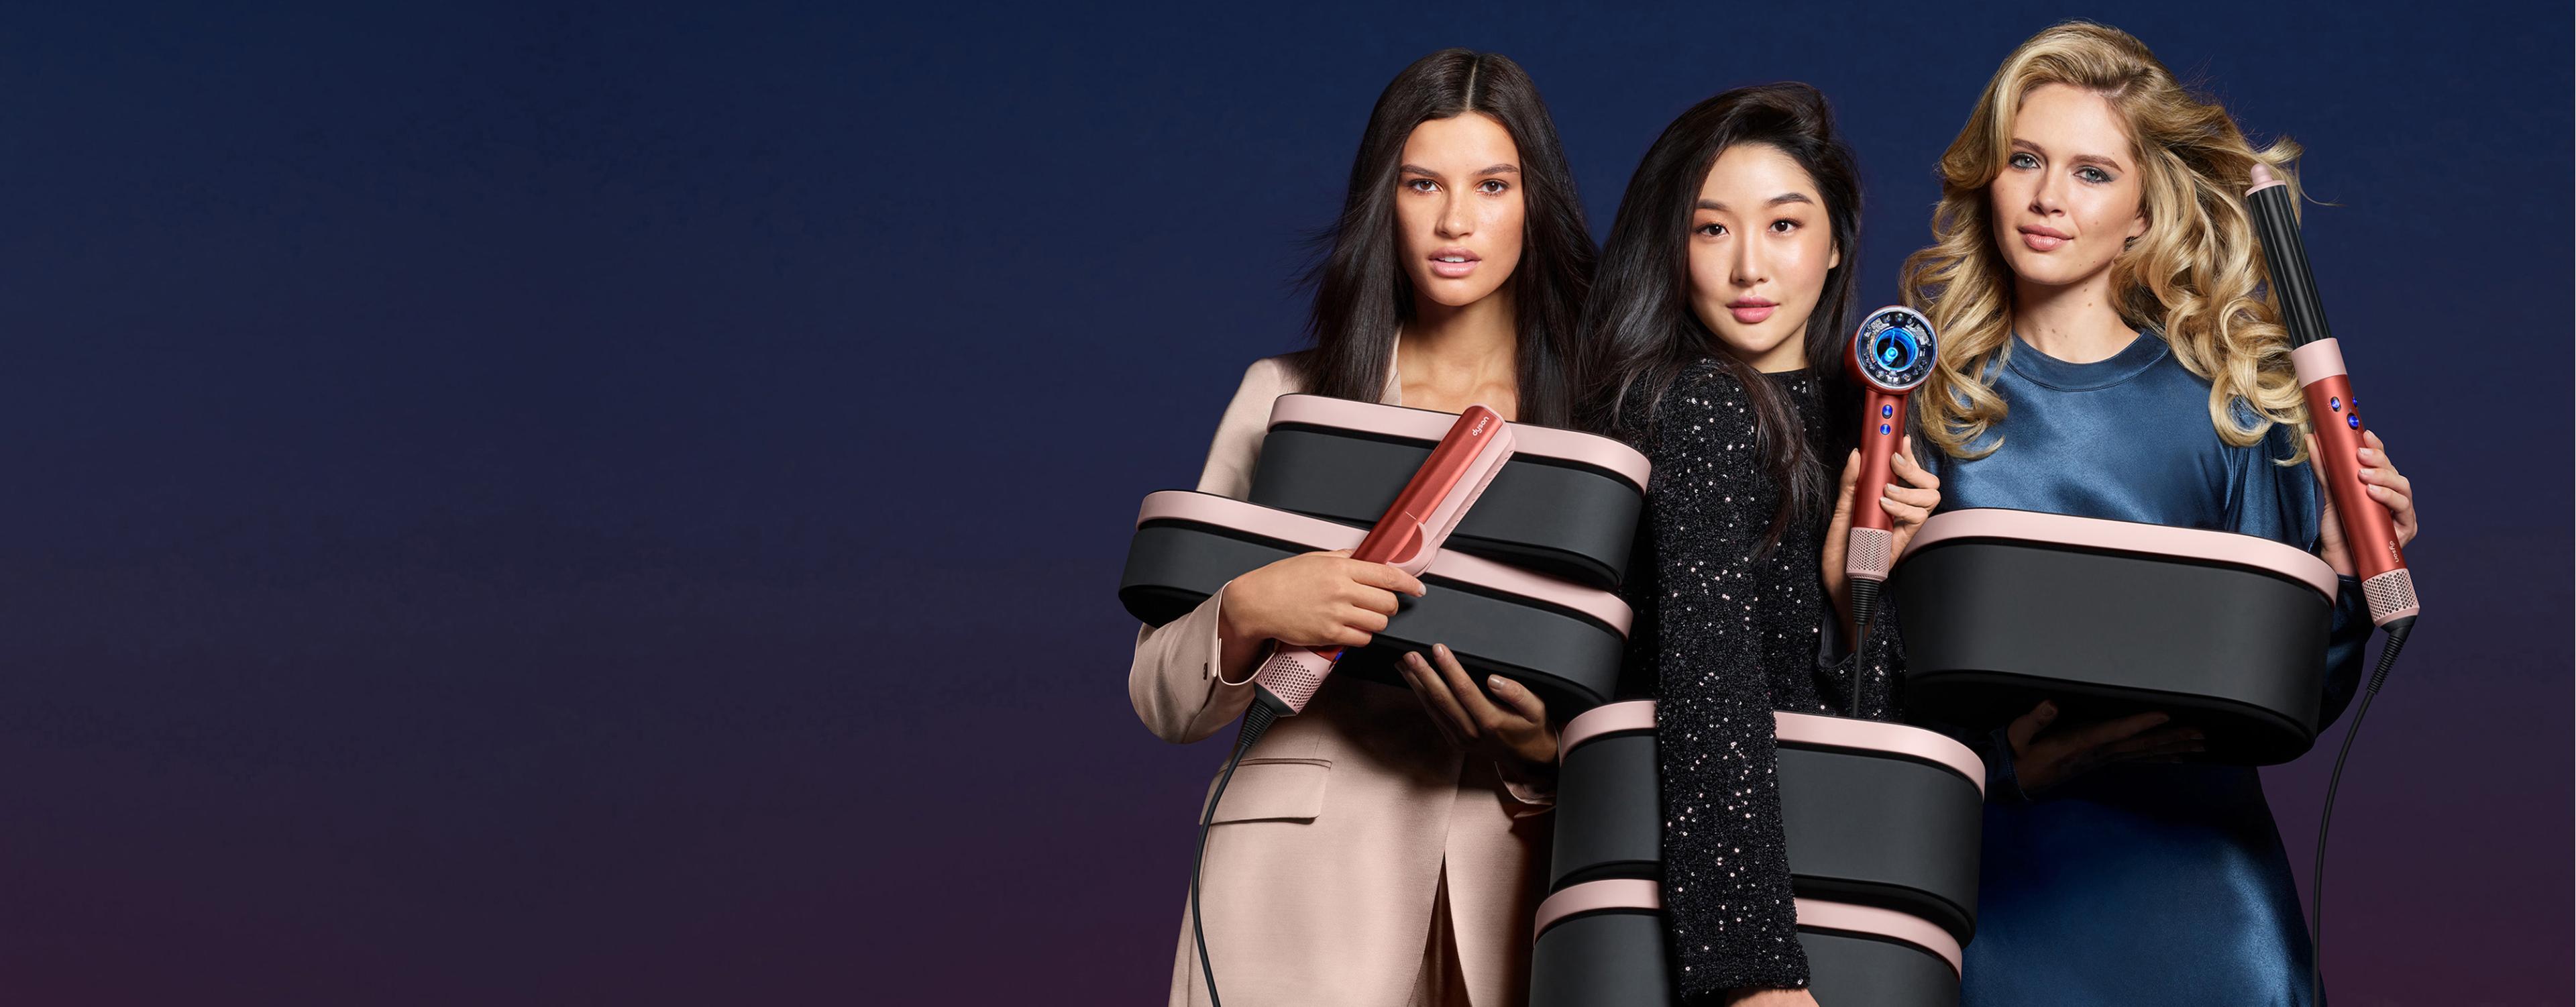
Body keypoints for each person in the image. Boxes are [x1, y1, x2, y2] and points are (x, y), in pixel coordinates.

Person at [1897, 21, 2423, 1006]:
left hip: (2211, 923)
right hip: (1997, 909)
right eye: (2025, 159)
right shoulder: (1922, 405)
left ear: (2143, 211)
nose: (2050, 198)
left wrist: (2345, 570)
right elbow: (1866, 689)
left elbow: (2292, 700)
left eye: (2093, 172)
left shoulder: (2230, 407)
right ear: (1990, 176)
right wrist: (2013, 768)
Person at [1128, 48, 1597, 1007]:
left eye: (1492, 185)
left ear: (1534, 202)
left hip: (1520, 886)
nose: (1455, 220)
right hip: (1296, 888)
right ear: (1385, 198)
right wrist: (1257, 603)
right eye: (1422, 182)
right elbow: (1160, 695)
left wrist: (1545, 750)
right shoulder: (1286, 397)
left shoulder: (1602, 425)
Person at [1579, 82, 1938, 1006]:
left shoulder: (1874, 428)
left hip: (1841, 899)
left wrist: (1858, 599)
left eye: (1783, 226)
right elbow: (1705, 680)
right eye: (1711, 230)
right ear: (1673, 248)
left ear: (1832, 248)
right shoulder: (1698, 406)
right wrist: (1754, 974)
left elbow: (1875, 731)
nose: (1749, 267)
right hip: (1730, 933)